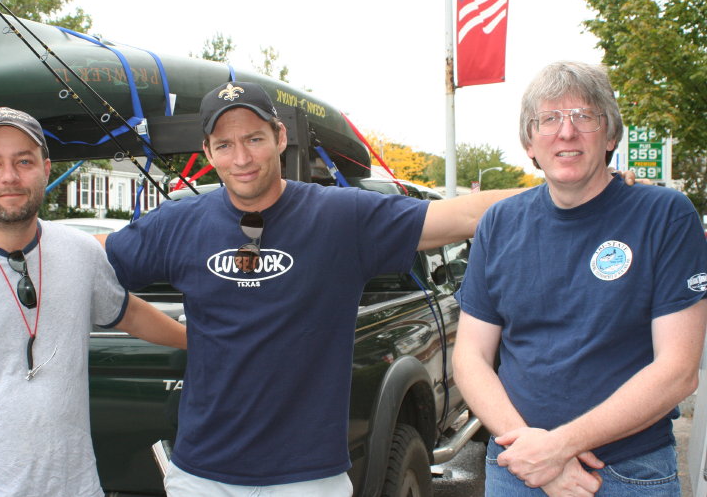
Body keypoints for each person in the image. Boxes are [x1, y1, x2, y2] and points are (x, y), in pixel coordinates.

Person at [100, 81, 523, 496]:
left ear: (280, 137)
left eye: (254, 139)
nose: (241, 158)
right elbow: (92, 259)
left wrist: (555, 192)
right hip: (201, 476)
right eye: (224, 145)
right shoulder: (177, 223)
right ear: (208, 153)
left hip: (307, 479)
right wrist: (181, 335)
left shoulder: (339, 217)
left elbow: (463, 215)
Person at [452, 61, 707, 497]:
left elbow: (678, 372)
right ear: (529, 142)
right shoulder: (499, 223)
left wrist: (559, 447)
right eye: (549, 118)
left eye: (584, 116)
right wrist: (533, 454)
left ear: (610, 136)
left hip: (628, 472)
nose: (566, 132)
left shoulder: (665, 216)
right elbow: (470, 357)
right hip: (515, 467)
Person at [0, 107, 187, 497]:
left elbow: (128, 312)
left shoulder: (79, 251)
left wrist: (203, 341)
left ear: (46, 168)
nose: (9, 176)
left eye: (24, 161)